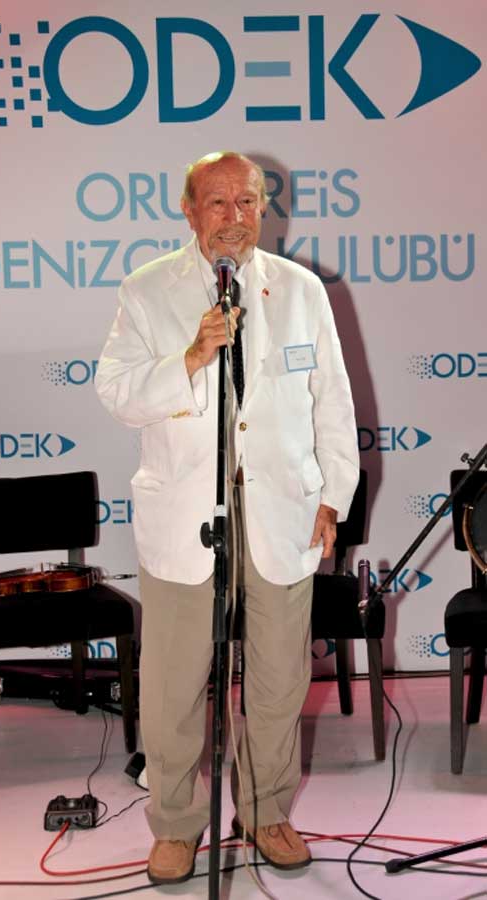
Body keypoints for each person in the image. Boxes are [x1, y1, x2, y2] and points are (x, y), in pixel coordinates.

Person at [95, 151, 359, 885]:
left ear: (263, 209)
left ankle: (266, 813)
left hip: (282, 509)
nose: (235, 218)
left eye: (247, 202)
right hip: (187, 512)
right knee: (174, 685)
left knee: (277, 680)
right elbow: (116, 392)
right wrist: (188, 357)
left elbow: (331, 399)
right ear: (188, 211)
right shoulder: (147, 290)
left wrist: (334, 494)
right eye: (218, 203)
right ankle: (176, 825)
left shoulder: (301, 290)